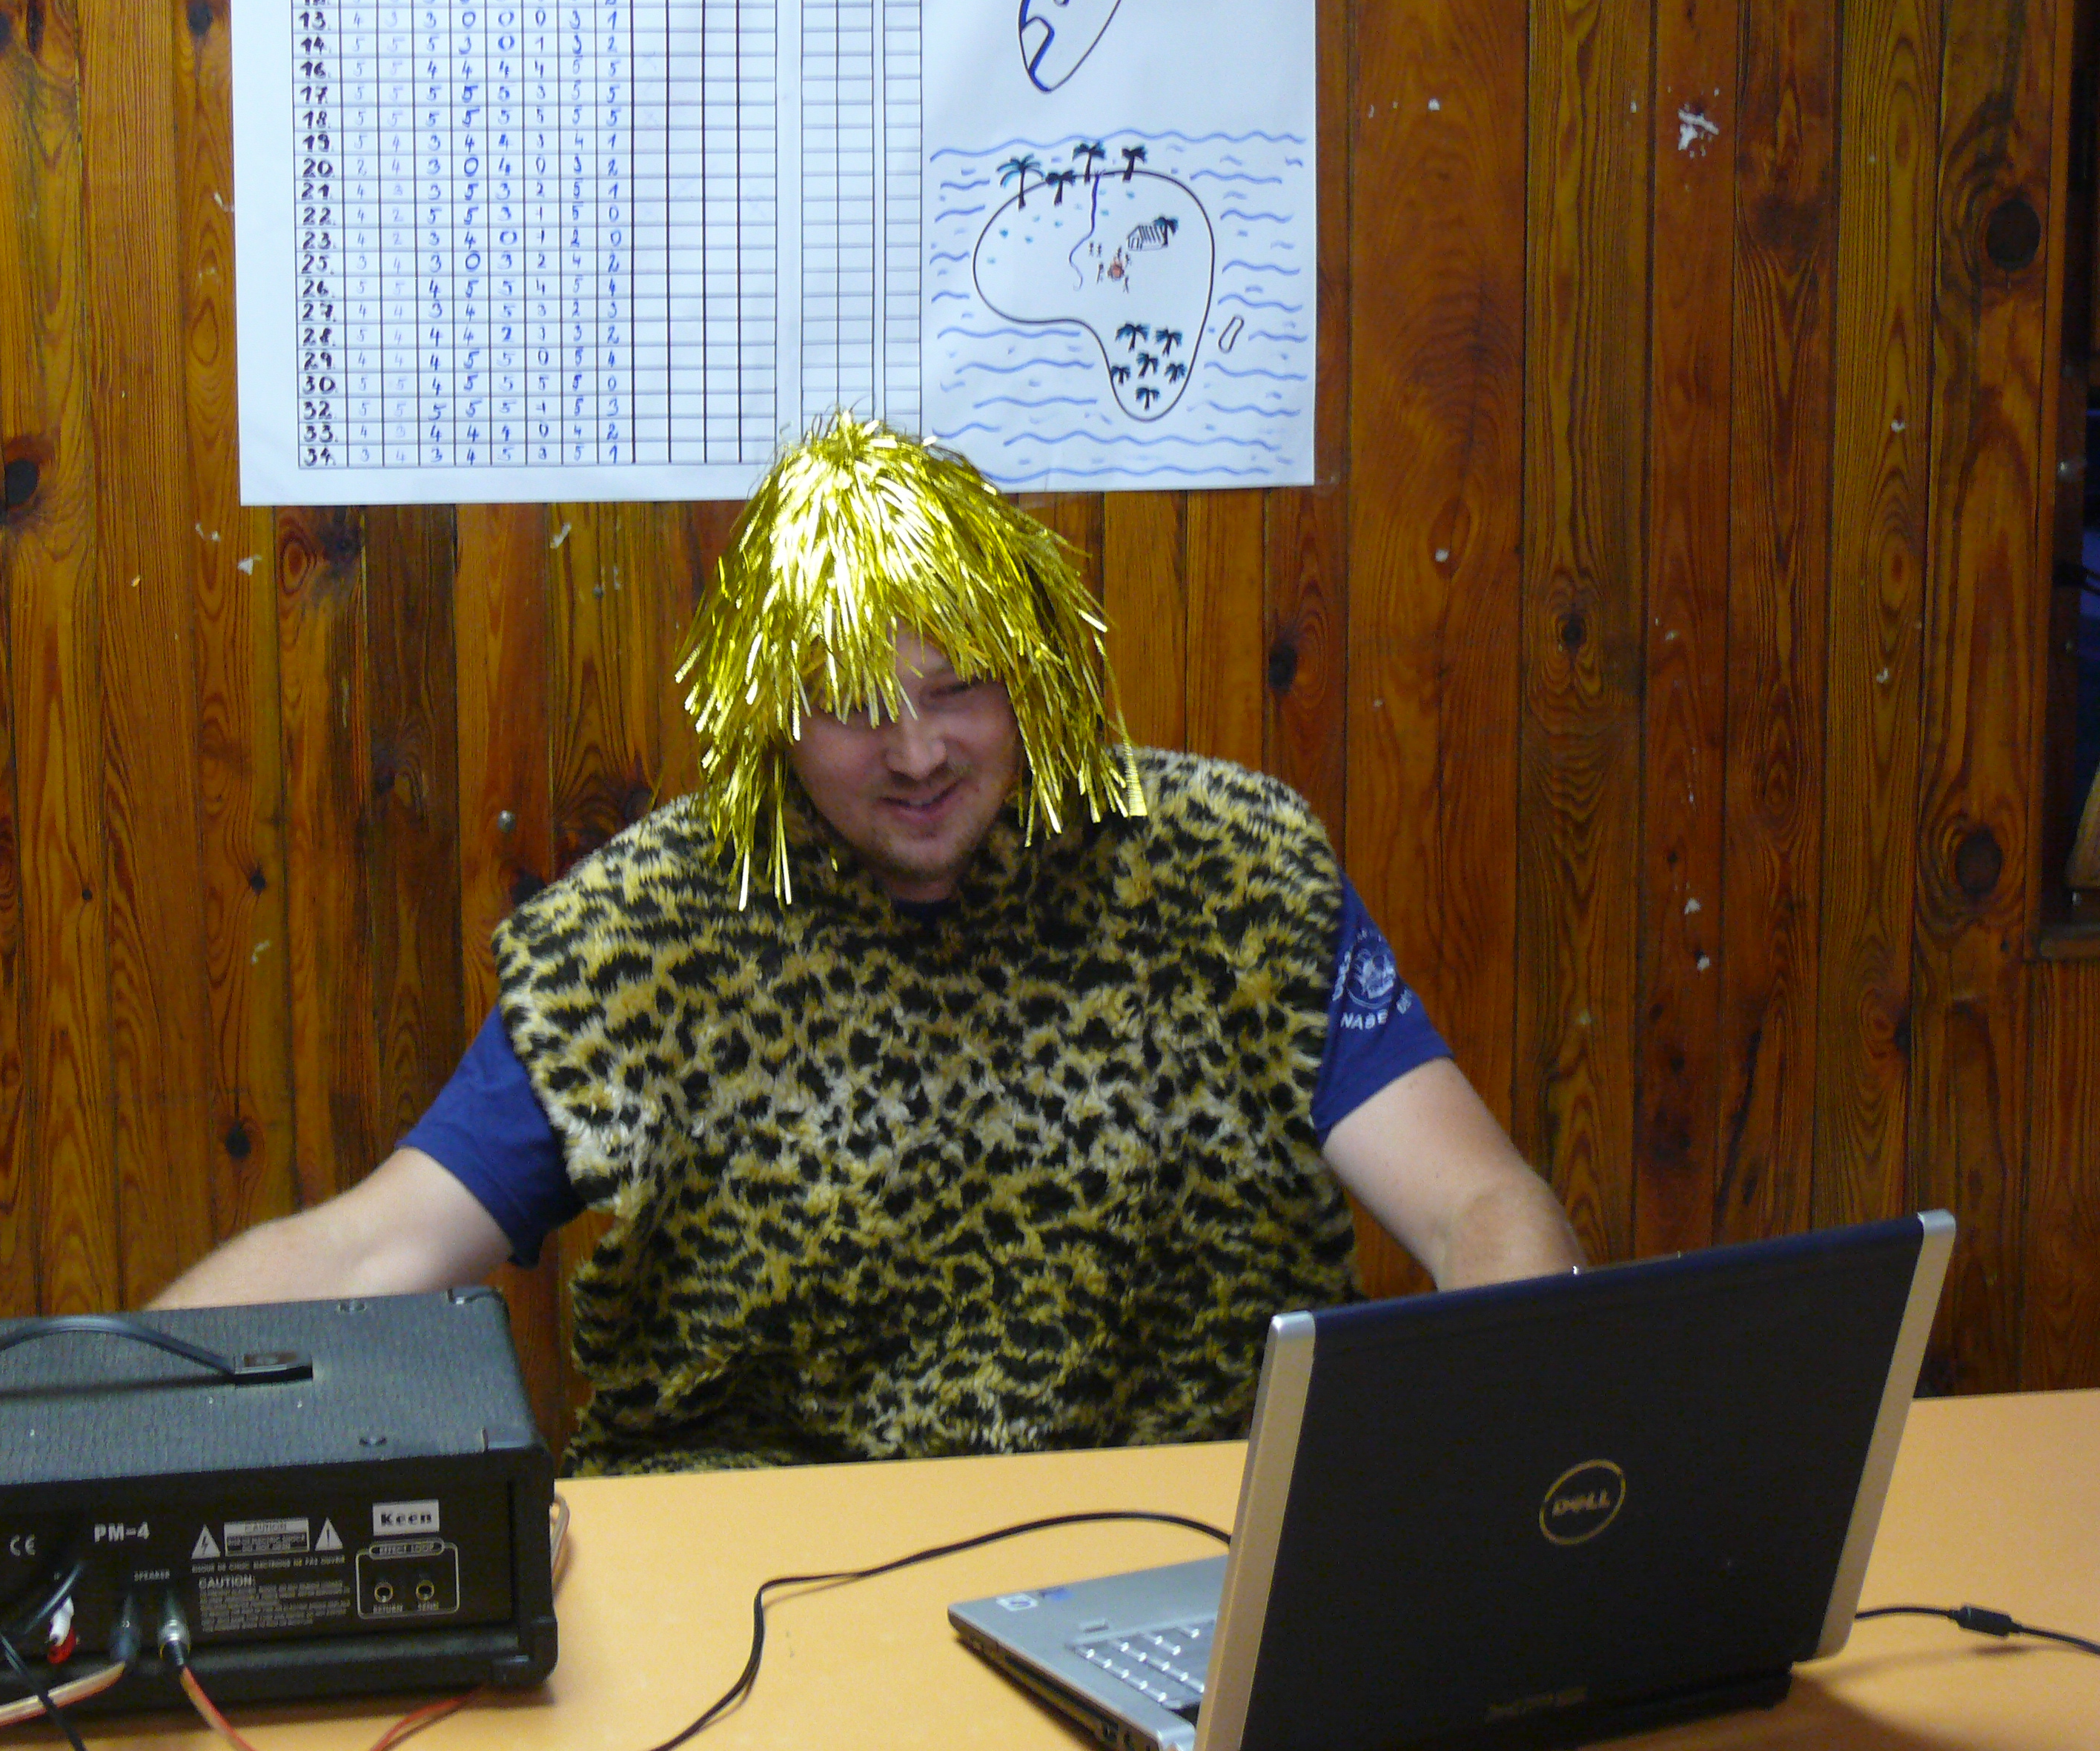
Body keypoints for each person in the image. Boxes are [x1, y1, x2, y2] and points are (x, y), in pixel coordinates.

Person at [159, 416, 1581, 1470]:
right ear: (768, 710)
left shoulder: (1232, 871)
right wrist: (98, 1429)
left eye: (960, 690)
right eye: (851, 704)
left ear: (1036, 675)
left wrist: (1499, 1458)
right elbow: (370, 1250)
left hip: (1180, 1542)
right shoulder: (645, 935)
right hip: (756, 1575)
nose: (916, 754)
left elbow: (1477, 1206)